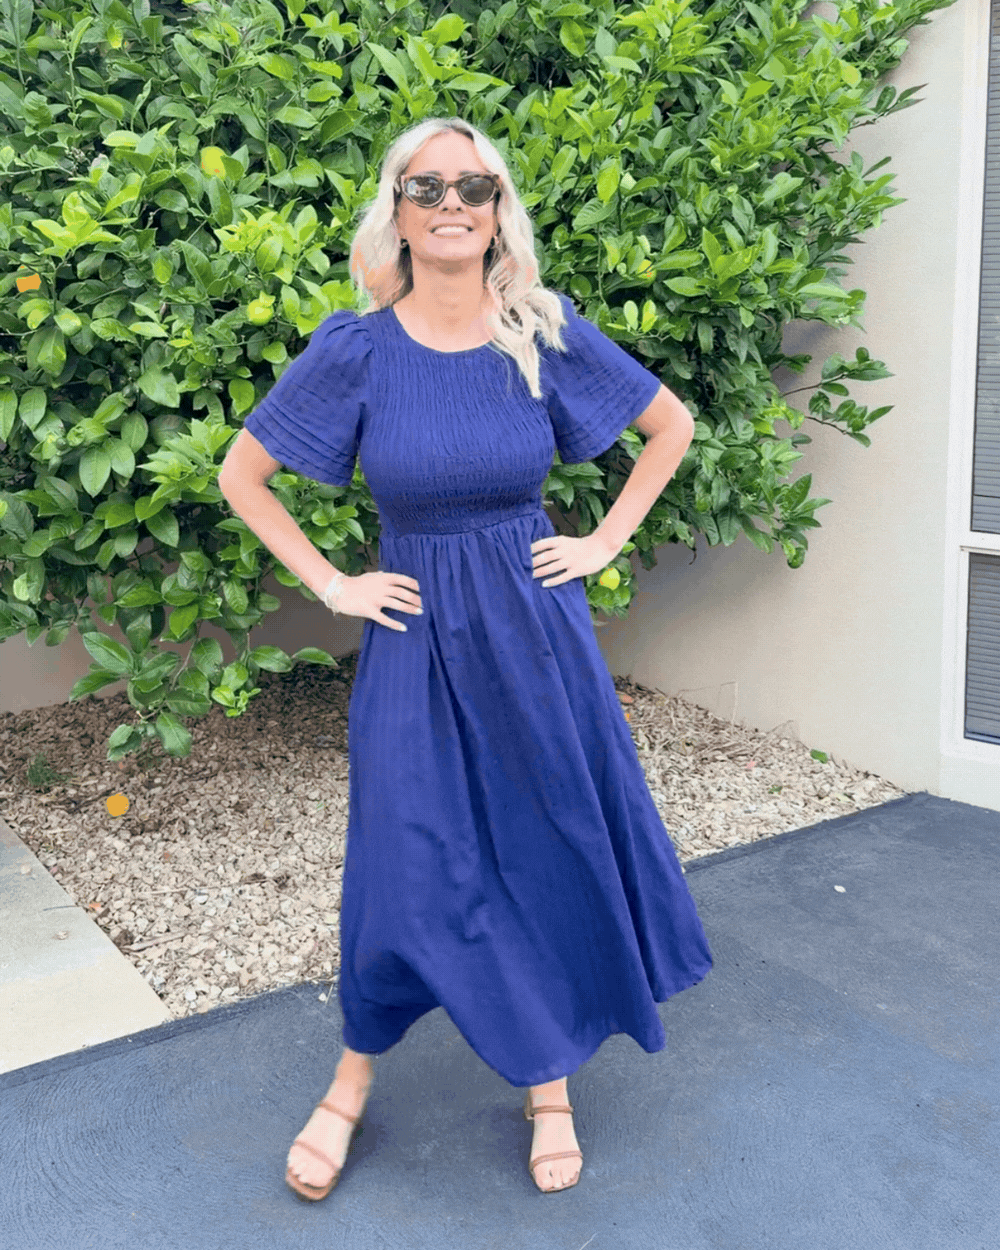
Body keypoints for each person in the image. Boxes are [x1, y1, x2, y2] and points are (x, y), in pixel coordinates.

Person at [217, 115, 713, 1200]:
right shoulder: (355, 350)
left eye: (474, 187)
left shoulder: (541, 330)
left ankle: (549, 1081)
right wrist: (333, 583)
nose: (452, 204)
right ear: (397, 211)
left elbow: (669, 427)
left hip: (533, 636)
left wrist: (603, 541)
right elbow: (240, 476)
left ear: (497, 214)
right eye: (428, 186)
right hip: (413, 638)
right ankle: (351, 1079)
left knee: (545, 842)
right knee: (400, 863)